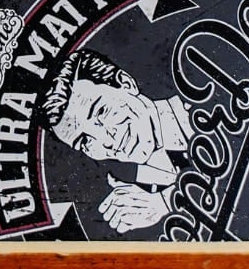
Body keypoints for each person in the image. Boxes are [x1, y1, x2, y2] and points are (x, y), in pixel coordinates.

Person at [40, 49, 194, 233]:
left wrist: (166, 203)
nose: (106, 141)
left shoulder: (205, 108)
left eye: (101, 112)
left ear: (126, 84)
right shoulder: (138, 203)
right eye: (84, 141)